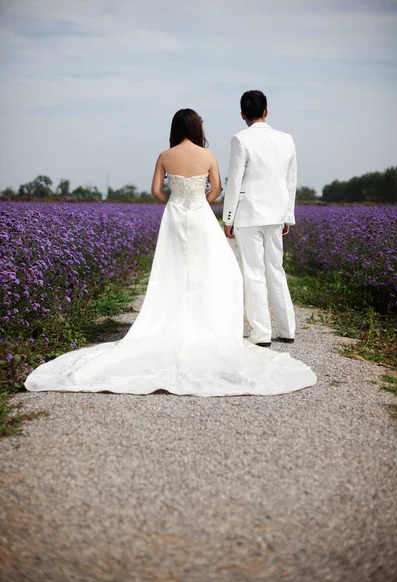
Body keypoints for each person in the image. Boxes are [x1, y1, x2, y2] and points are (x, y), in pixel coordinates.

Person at [25, 109, 316, 396]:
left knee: (172, 268)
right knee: (214, 269)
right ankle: (212, 323)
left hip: (175, 215)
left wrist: (174, 199)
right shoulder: (208, 155)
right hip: (201, 215)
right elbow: (216, 189)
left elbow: (154, 190)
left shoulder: (165, 155)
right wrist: (200, 201)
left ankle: (172, 320)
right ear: (196, 128)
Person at [223, 90, 297, 348]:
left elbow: (234, 181)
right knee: (276, 269)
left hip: (249, 213)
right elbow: (291, 181)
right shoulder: (287, 139)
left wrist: (228, 218)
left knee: (253, 272)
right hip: (277, 213)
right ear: (266, 111)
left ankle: (261, 333)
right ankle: (287, 329)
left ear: (243, 115)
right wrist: (288, 214)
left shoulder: (240, 139)